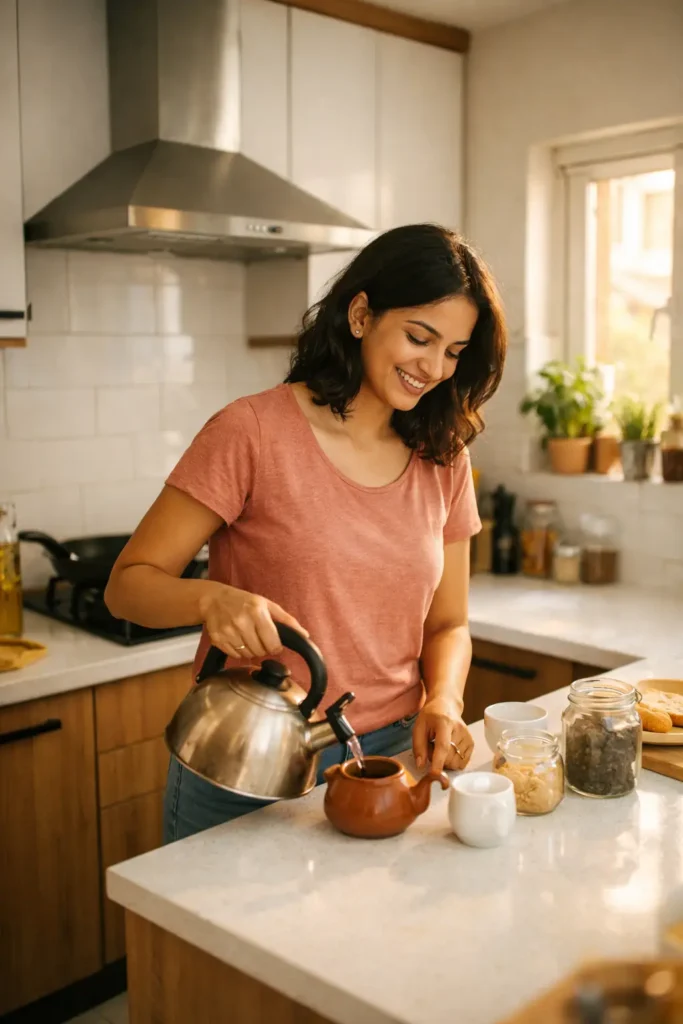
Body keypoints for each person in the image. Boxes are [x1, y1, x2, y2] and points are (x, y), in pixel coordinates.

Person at [105, 223, 507, 843]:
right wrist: (211, 599)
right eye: (419, 337)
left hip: (390, 763)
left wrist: (444, 701)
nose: (433, 367)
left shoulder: (443, 456)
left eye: (453, 352)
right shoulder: (251, 432)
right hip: (250, 759)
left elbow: (448, 623)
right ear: (360, 313)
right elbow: (127, 586)